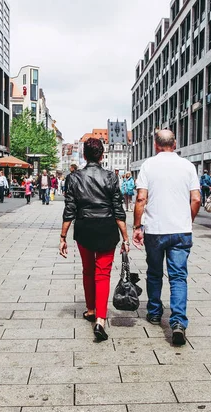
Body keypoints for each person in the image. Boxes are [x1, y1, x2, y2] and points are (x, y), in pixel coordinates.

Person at [132, 130, 201, 346]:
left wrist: (136, 226)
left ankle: (154, 311)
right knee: (178, 276)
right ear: (175, 144)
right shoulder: (188, 166)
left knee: (154, 273)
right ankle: (178, 322)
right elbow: (196, 199)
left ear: (155, 145)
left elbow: (141, 198)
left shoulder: (148, 165)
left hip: (155, 229)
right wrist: (186, 219)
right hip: (181, 230)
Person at [60, 137, 129, 342]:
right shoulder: (110, 177)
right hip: (107, 228)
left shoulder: (74, 177)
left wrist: (63, 236)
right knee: (103, 273)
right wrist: (125, 236)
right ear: (102, 156)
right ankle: (100, 319)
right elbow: (118, 208)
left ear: (84, 155)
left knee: (88, 270)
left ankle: (90, 309)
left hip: (84, 228)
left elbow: (69, 209)